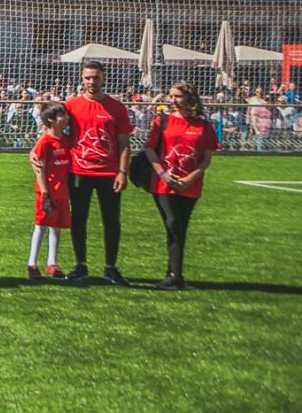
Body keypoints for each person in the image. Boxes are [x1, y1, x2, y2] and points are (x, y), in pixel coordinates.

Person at [137, 82, 218, 290]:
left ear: (189, 98)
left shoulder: (204, 126)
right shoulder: (162, 121)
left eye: (177, 96)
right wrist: (162, 174)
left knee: (180, 227)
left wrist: (190, 178)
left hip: (190, 184)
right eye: (171, 96)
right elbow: (150, 150)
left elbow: (206, 158)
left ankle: (174, 274)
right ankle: (174, 275)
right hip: (163, 183)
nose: (172, 100)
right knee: (173, 223)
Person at [64, 61, 133, 284]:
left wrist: (123, 171)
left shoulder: (116, 107)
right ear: (81, 79)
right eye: (87, 78)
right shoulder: (71, 105)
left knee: (111, 220)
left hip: (109, 173)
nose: (91, 82)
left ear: (103, 79)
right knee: (78, 219)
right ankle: (80, 265)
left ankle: (110, 267)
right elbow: (56, 133)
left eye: (95, 77)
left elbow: (124, 143)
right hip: (78, 171)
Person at [27, 104, 72, 280]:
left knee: (56, 227)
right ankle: (32, 263)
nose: (66, 118)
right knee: (41, 226)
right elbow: (40, 169)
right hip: (48, 193)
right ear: (50, 120)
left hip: (62, 192)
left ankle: (52, 263)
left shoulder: (65, 140)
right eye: (62, 115)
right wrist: (45, 192)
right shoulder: (45, 142)